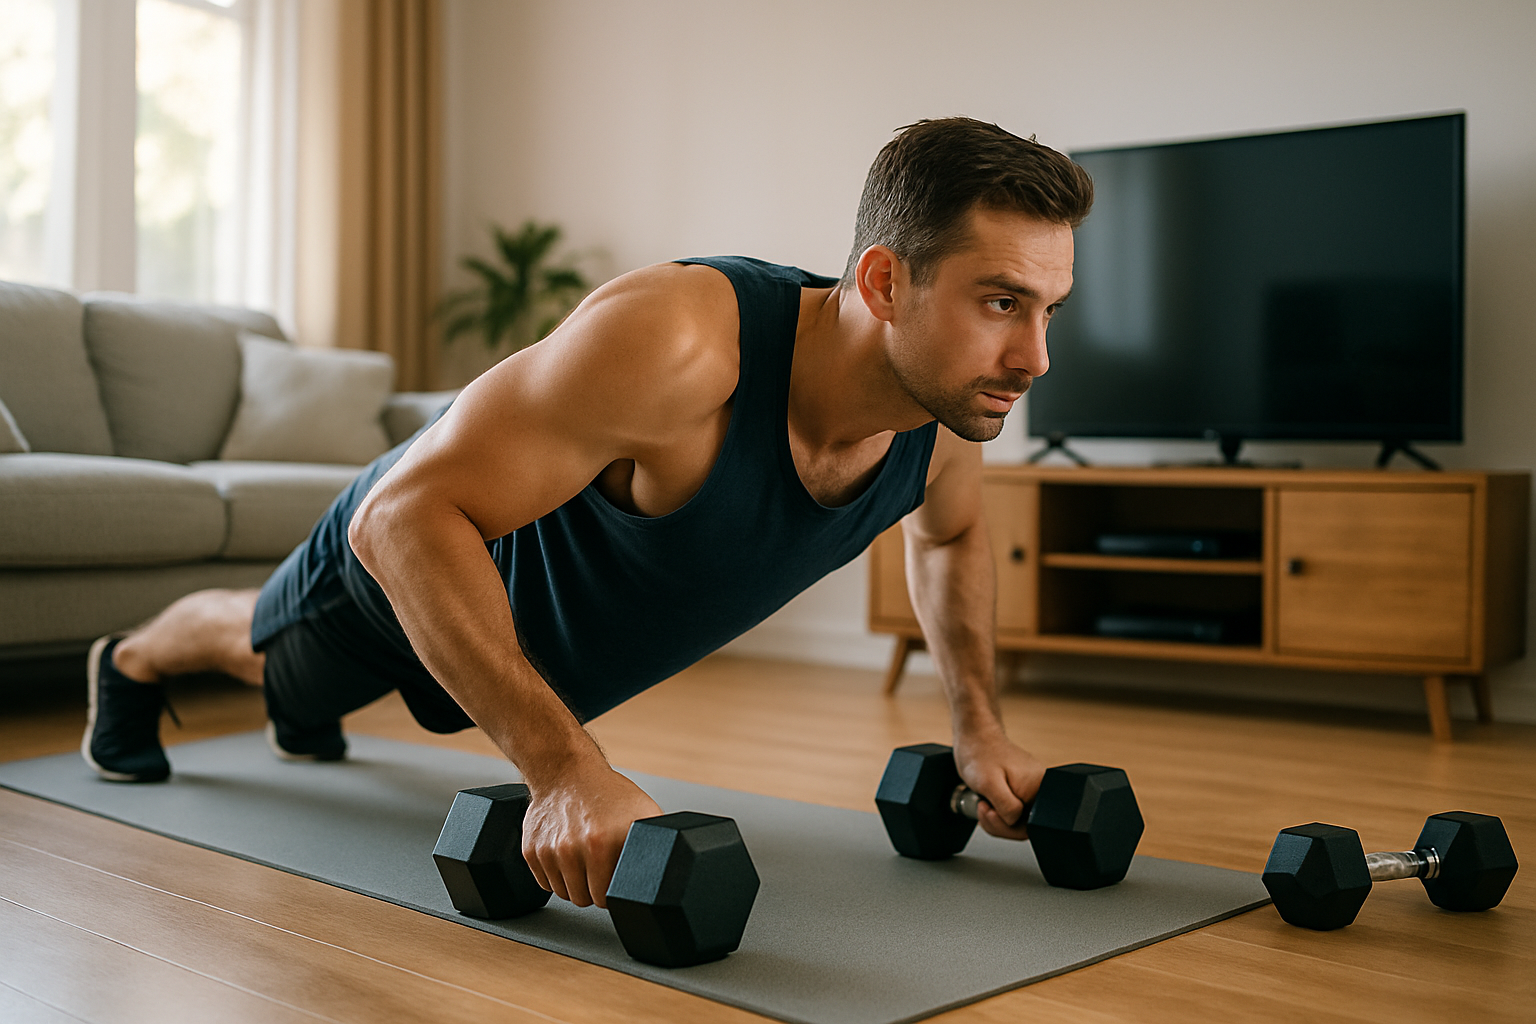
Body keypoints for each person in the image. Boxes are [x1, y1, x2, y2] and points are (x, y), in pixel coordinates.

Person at [83, 116, 1092, 912]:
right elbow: (400, 522)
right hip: (413, 574)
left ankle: (306, 711)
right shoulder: (684, 345)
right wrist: (564, 769)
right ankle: (127, 662)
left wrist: (978, 729)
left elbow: (953, 537)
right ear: (883, 280)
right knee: (267, 655)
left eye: (1050, 310)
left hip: (503, 655)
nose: (1035, 357)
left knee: (321, 704)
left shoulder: (946, 422)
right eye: (1002, 302)